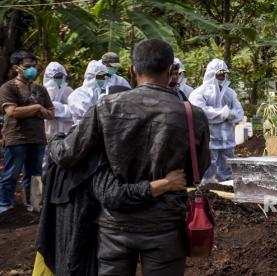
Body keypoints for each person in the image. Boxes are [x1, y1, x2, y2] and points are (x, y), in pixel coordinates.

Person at [49, 39, 211, 275]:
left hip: (114, 225)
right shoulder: (191, 114)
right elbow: (199, 169)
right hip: (165, 225)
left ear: (134, 70)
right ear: (170, 70)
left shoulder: (106, 106)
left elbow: (68, 154)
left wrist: (53, 142)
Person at [0, 51, 54, 213]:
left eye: (34, 66)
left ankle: (33, 203)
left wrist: (37, 110)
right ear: (16, 67)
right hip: (16, 136)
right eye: (27, 66)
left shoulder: (41, 89)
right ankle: (4, 203)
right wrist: (37, 108)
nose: (32, 69)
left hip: (38, 137)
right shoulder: (8, 88)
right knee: (11, 174)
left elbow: (51, 113)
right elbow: (12, 112)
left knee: (35, 174)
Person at [189, 58, 244, 184]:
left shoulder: (230, 93)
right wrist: (225, 114)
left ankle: (227, 196)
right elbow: (201, 112)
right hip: (208, 142)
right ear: (211, 74)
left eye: (224, 74)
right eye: (220, 73)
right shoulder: (198, 93)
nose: (223, 76)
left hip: (227, 142)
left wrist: (230, 115)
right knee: (206, 174)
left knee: (227, 175)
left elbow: (239, 113)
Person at [68, 60, 107, 125]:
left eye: (104, 77)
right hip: (83, 132)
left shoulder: (102, 93)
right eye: (100, 76)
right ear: (91, 76)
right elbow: (89, 115)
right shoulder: (78, 94)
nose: (103, 79)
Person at [43, 62, 74, 137]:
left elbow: (74, 111)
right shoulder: (43, 92)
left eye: (60, 76)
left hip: (67, 132)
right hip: (48, 133)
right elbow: (46, 111)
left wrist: (59, 108)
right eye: (56, 77)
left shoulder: (68, 91)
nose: (59, 79)